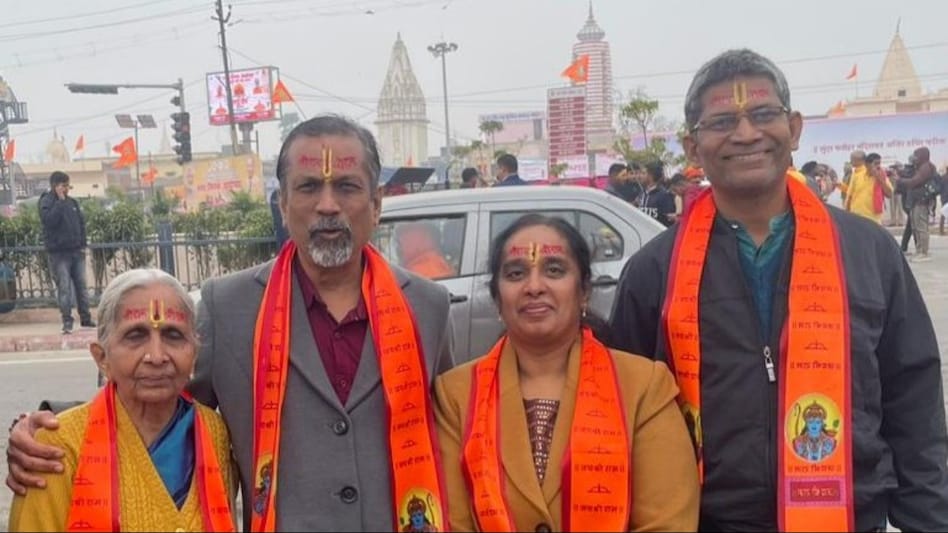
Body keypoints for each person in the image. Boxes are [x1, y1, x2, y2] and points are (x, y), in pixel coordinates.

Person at [7, 115, 456, 531]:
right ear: (282, 204)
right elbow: (158, 403)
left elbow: (456, 431)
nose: (327, 205)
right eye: (307, 188)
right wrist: (47, 427)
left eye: (346, 186)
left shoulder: (428, 307)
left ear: (376, 203)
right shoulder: (230, 306)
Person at [608, 48, 948, 531]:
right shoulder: (653, 271)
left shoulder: (868, 251)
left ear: (794, 128)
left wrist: (927, 520)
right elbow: (622, 415)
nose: (747, 134)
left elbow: (914, 404)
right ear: (691, 146)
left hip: (848, 517)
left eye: (763, 115)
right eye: (723, 120)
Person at [435, 213, 699, 532]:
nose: (534, 287)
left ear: (584, 290)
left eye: (554, 270)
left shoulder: (645, 388)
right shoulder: (455, 397)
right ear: (496, 297)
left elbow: (668, 523)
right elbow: (450, 522)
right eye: (516, 274)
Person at [7, 268, 236, 532]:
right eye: (135, 336)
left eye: (173, 336)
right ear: (102, 357)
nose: (157, 356)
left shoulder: (214, 432)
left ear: (194, 353)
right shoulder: (55, 448)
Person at [39, 171, 94, 334]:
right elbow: (49, 221)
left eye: (67, 186)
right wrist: (60, 202)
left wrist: (82, 244)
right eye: (64, 186)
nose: (66, 189)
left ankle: (86, 318)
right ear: (55, 186)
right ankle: (67, 320)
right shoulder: (46, 202)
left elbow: (81, 224)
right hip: (59, 254)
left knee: (81, 286)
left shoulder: (73, 203)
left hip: (76, 251)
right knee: (64, 288)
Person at [898, 147, 937, 262]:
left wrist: (900, 181)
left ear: (923, 155)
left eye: (916, 155)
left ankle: (924, 252)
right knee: (915, 227)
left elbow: (915, 181)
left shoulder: (926, 167)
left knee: (921, 227)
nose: (914, 158)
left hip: (922, 201)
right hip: (916, 201)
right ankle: (919, 250)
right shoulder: (919, 167)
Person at [844, 151, 893, 224]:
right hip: (857, 216)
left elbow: (889, 194)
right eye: (875, 163)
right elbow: (850, 196)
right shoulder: (857, 174)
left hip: (873, 219)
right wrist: (847, 214)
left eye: (879, 163)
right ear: (867, 165)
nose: (878, 166)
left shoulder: (882, 175)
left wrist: (880, 179)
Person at [636, 161, 677, 227]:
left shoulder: (664, 196)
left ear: (650, 176)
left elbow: (669, 220)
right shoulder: (642, 193)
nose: (640, 176)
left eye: (643, 173)